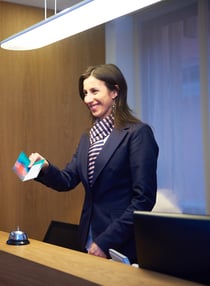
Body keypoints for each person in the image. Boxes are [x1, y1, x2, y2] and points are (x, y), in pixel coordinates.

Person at [28, 64, 158, 264]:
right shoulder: (88, 138)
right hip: (87, 238)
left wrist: (105, 241)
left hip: (119, 244)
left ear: (115, 91)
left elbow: (144, 200)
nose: (88, 99)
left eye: (94, 91)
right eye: (85, 93)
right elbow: (67, 180)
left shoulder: (138, 133)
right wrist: (43, 167)